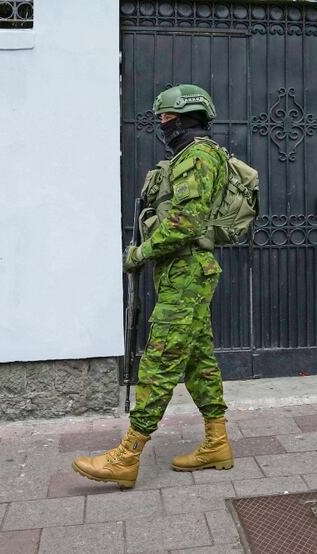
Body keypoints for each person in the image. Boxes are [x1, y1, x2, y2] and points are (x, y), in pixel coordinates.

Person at [72, 84, 234, 489]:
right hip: (185, 272)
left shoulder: (197, 157)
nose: (161, 124)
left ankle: (127, 455)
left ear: (184, 117)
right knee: (197, 359)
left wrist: (140, 253)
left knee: (159, 362)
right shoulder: (191, 156)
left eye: (165, 118)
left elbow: (186, 224)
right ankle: (217, 442)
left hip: (187, 272)